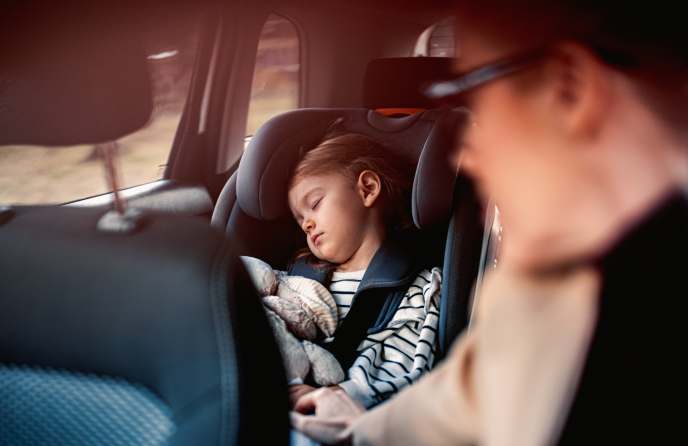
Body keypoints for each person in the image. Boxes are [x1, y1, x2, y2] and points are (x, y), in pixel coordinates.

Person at [290, 0, 688, 444]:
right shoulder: (541, 283)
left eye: (475, 100)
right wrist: (359, 428)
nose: (467, 154)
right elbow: (462, 401)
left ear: (568, 88)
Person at [283, 132, 443, 411]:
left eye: (315, 204)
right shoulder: (295, 280)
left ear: (367, 188)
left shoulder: (420, 288)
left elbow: (403, 370)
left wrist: (330, 397)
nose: (307, 224)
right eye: (299, 220)